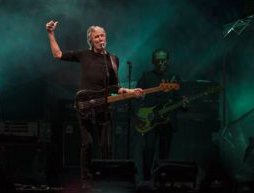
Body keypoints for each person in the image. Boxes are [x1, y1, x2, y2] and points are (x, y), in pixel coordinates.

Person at [45, 20, 143, 189]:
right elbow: (57, 54)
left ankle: (106, 176)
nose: (100, 38)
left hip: (104, 106)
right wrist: (51, 34)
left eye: (102, 35)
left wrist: (130, 92)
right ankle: (86, 178)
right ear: (90, 40)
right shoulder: (83, 54)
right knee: (87, 143)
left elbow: (115, 87)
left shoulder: (113, 59)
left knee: (106, 144)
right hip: (85, 104)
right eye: (96, 36)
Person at [132, 48, 188, 190]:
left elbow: (178, 98)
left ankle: (162, 182)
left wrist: (184, 105)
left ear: (167, 60)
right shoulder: (146, 76)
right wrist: (139, 113)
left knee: (165, 153)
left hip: (167, 120)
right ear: (153, 61)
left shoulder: (173, 77)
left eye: (163, 60)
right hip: (150, 120)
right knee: (149, 149)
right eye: (158, 60)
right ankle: (146, 181)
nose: (161, 63)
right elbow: (135, 97)